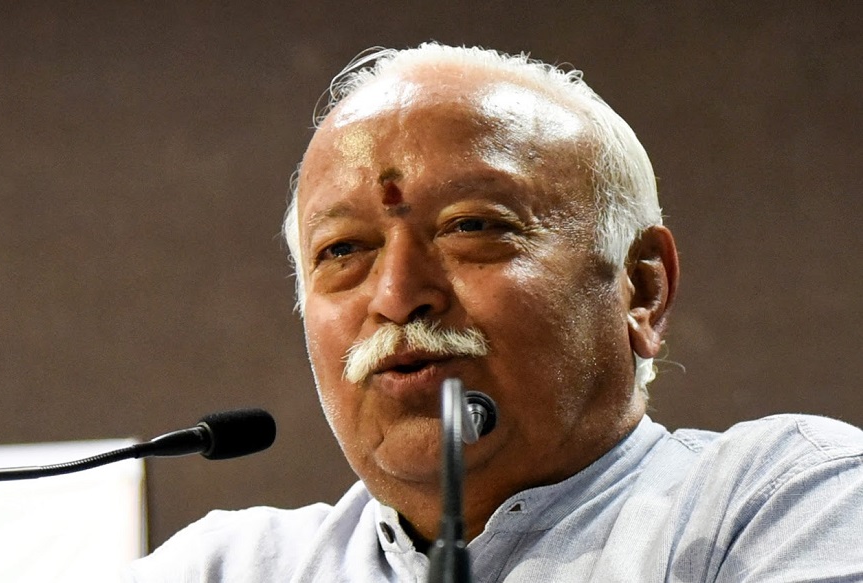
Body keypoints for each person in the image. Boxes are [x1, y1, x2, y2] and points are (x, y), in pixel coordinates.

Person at [126, 43, 863, 582]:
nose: (397, 295)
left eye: (471, 227)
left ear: (641, 289)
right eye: (344, 249)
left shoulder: (787, 501)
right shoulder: (228, 569)